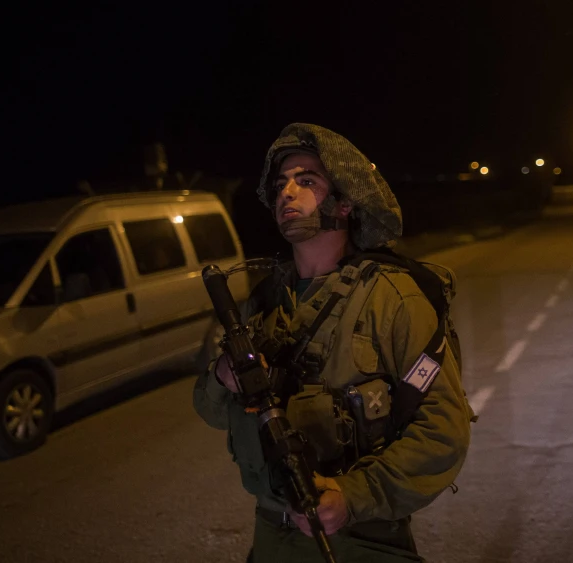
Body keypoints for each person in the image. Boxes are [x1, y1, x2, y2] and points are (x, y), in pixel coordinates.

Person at [193, 123, 473, 562]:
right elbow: (210, 412)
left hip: (361, 540)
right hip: (272, 538)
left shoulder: (393, 299)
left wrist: (352, 495)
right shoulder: (263, 305)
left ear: (344, 205)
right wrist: (222, 377)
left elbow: (443, 432)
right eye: (281, 182)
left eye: (307, 181)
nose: (287, 192)